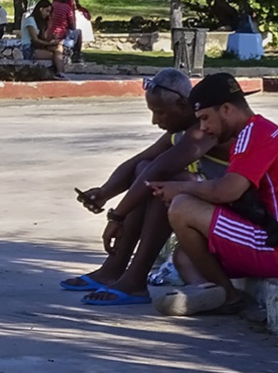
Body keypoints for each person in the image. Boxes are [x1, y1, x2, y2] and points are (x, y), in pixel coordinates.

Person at [149, 73, 278, 316]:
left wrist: (179, 188)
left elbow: (227, 191)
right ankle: (205, 290)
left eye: (205, 118)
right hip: (275, 236)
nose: (203, 128)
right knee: (184, 257)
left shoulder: (255, 134)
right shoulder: (257, 131)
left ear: (226, 109)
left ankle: (228, 296)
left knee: (182, 207)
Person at [64, 70, 232, 306]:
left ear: (183, 105)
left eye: (160, 112)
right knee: (144, 168)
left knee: (169, 181)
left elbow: (160, 170)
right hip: (204, 208)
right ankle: (115, 268)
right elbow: (139, 162)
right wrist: (104, 193)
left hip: (229, 213)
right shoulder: (179, 132)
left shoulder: (204, 129)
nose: (155, 121)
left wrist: (117, 216)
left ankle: (135, 279)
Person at [24, 0, 66, 76]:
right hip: (29, 49)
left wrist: (52, 38)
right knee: (56, 57)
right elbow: (35, 40)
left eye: (49, 12)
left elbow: (43, 38)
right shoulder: (30, 21)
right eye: (47, 11)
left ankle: (60, 73)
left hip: (38, 47)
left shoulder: (41, 22)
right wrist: (48, 44)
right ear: (41, 9)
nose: (48, 14)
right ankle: (60, 72)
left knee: (58, 48)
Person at [48, 0, 82, 64]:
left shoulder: (51, 5)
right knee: (79, 32)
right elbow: (73, 26)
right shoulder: (68, 9)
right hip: (60, 35)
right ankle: (77, 55)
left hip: (48, 33)